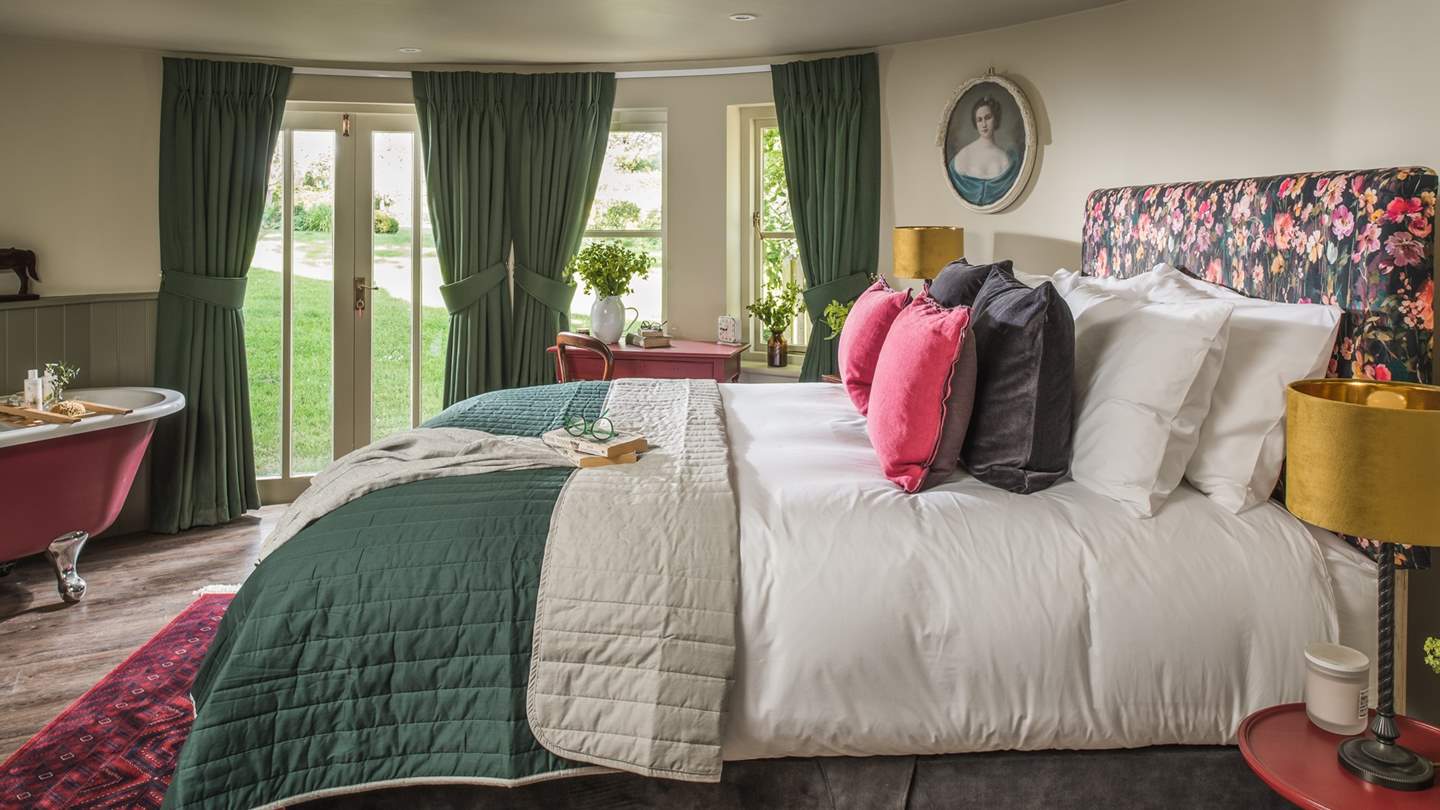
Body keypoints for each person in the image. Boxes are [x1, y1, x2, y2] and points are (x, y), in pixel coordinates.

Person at [948, 94, 1021, 206]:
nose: (984, 124)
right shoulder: (964, 155)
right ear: (975, 123)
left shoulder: (1004, 159)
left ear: (995, 119)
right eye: (979, 120)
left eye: (988, 118)